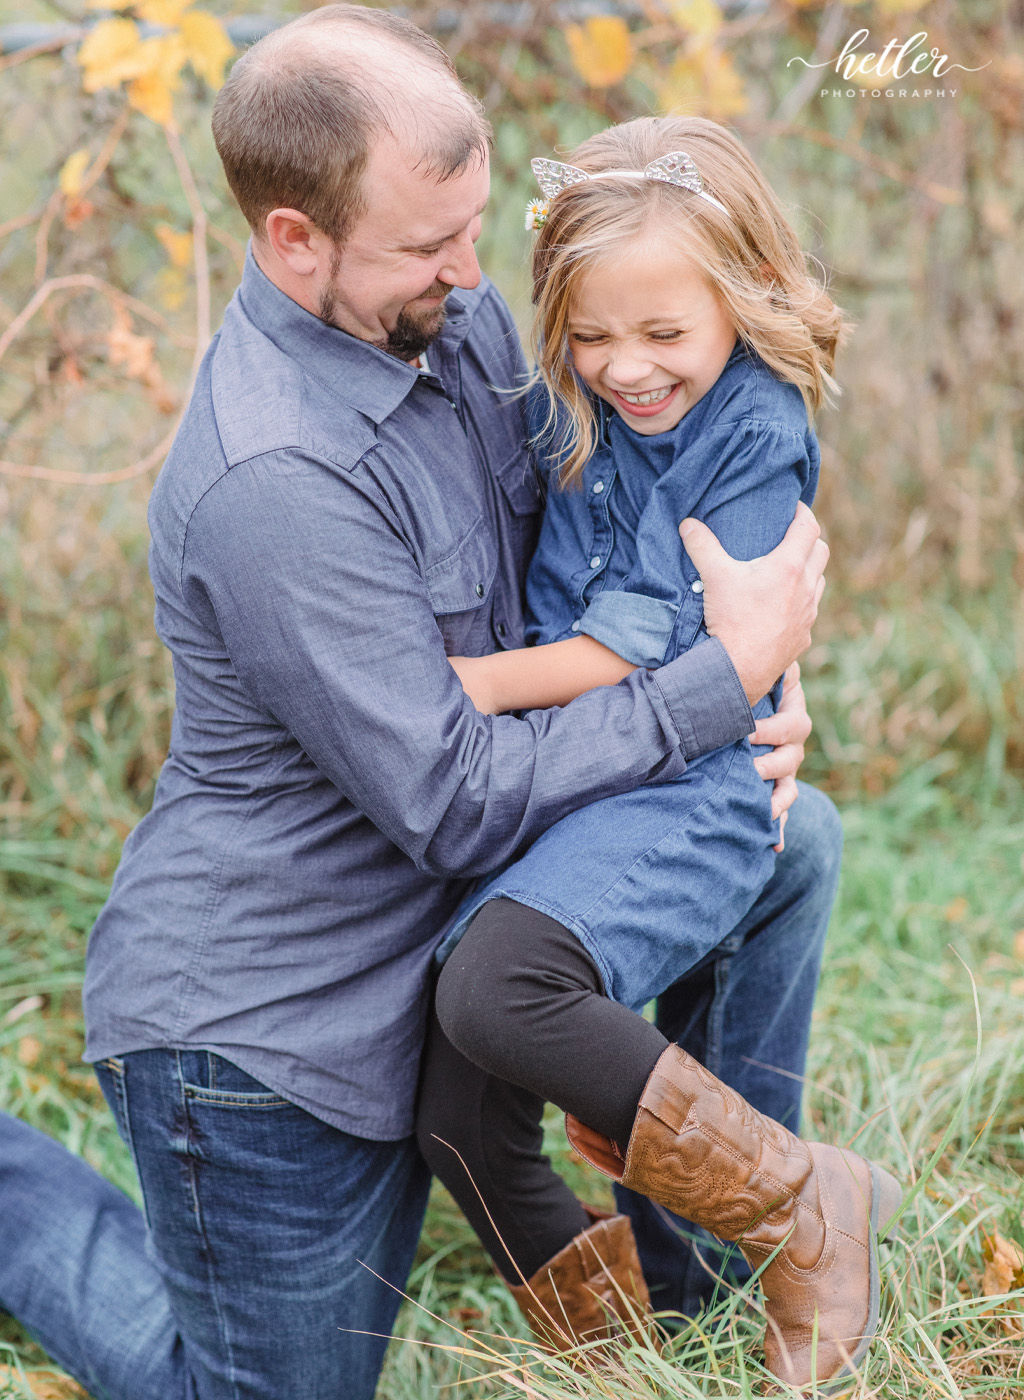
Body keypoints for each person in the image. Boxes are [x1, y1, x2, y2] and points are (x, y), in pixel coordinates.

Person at [0, 9, 832, 1400]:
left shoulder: (449, 318)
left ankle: (715, 1283)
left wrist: (761, 678)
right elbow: (457, 796)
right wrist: (708, 690)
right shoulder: (276, 482)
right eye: (426, 245)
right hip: (277, 1035)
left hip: (447, 944)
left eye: (474, 224)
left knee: (791, 848)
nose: (473, 269)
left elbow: (620, 552)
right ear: (292, 242)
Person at [417, 117, 900, 1393]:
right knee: (454, 1098)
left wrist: (465, 683)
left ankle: (800, 1217)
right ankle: (641, 1349)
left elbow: (651, 640)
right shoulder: (574, 397)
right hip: (585, 767)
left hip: (692, 780)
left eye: (662, 335)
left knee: (493, 991)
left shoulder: (754, 429)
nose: (625, 367)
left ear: (742, 295)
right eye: (592, 334)